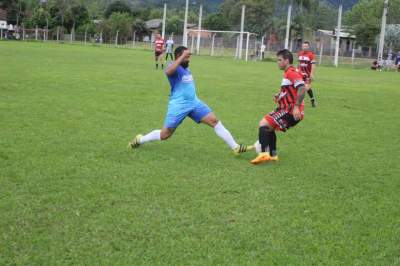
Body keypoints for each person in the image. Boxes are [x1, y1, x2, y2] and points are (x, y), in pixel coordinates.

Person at [129, 46, 251, 154]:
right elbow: (168, 71)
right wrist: (182, 57)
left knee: (214, 121)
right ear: (178, 56)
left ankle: (235, 147)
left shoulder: (186, 68)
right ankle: (140, 139)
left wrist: (184, 58)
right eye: (186, 56)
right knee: (165, 135)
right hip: (179, 105)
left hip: (194, 103)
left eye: (189, 57)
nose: (189, 59)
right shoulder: (172, 65)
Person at [251, 49, 306, 165]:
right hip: (285, 108)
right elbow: (292, 90)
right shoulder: (288, 72)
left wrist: (296, 107)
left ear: (287, 60)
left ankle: (263, 154)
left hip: (290, 110)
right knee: (269, 128)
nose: (278, 62)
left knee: (263, 124)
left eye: (280, 60)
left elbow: (302, 88)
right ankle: (273, 155)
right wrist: (280, 95)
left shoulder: (291, 72)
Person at [298, 41, 317, 107]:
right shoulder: (300, 54)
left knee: (305, 88)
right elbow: (299, 64)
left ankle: (307, 101)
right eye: (303, 46)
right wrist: (297, 71)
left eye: (306, 46)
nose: (304, 47)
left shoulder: (311, 55)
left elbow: (313, 65)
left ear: (308, 47)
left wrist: (312, 74)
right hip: (300, 74)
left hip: (307, 75)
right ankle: (312, 100)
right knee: (302, 88)